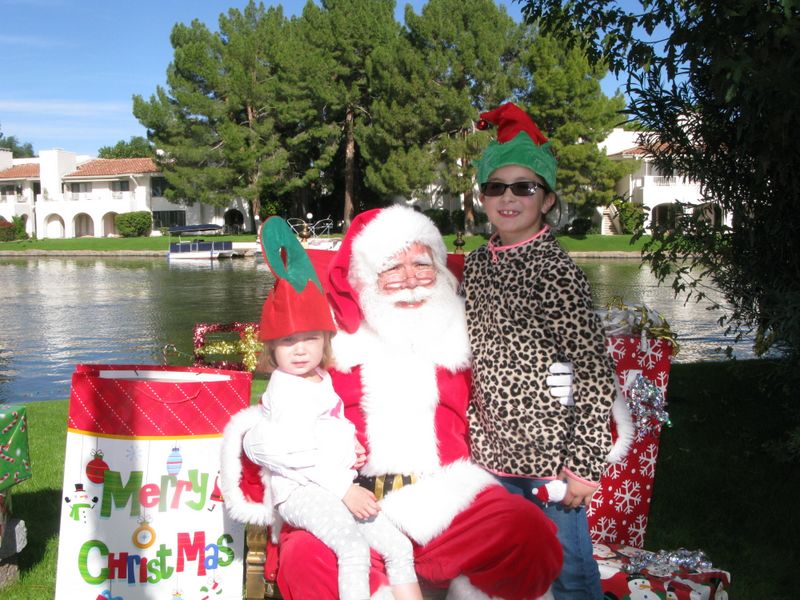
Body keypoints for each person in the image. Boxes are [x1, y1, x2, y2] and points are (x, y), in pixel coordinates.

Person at [222, 206, 564, 599]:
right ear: (365, 278)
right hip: (349, 499)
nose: (411, 281)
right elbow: (277, 416)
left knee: (525, 530)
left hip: (448, 495)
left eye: (422, 265)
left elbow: (519, 392)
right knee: (306, 558)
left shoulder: (463, 338)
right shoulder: (332, 350)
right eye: (392, 269)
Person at [463, 102, 620, 600]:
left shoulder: (555, 271)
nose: (508, 198)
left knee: (568, 571)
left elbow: (595, 372)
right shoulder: (476, 266)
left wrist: (584, 464)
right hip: (489, 456)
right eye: (496, 187)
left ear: (547, 199)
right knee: (509, 571)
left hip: (550, 462)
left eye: (524, 187)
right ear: (483, 196)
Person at [237, 216, 424, 600]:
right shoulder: (286, 389)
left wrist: (349, 446)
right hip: (302, 492)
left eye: (309, 339)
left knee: (399, 547)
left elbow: (327, 426)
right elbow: (290, 451)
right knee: (353, 549)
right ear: (272, 349)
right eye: (288, 342)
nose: (300, 349)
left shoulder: (320, 379)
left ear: (325, 341)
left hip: (334, 485)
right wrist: (344, 488)